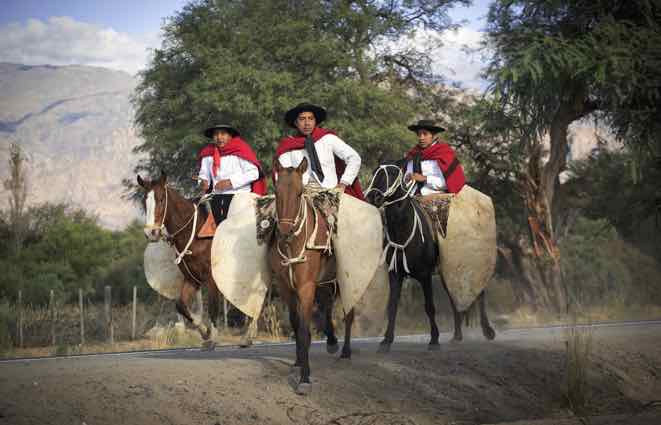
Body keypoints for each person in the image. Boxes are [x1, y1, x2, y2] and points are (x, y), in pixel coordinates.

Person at [274, 102, 364, 199]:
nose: (307, 123)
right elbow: (281, 174)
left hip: (331, 193)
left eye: (311, 119)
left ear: (315, 121)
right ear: (296, 123)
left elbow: (354, 158)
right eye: (302, 119)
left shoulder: (328, 138)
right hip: (301, 196)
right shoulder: (288, 146)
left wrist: (343, 183)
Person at [197, 124, 266, 236]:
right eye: (216, 134)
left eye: (223, 134)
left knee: (239, 233)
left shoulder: (241, 148)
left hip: (240, 196)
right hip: (216, 197)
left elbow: (254, 173)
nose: (219, 137)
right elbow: (203, 174)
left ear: (230, 135)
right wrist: (202, 182)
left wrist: (230, 182)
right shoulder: (208, 153)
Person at [404, 119, 465, 194]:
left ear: (433, 136)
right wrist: (407, 178)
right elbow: (406, 178)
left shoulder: (444, 153)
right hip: (411, 195)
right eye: (419, 134)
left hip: (437, 197)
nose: (421, 138)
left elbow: (450, 183)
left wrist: (425, 179)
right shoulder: (413, 154)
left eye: (425, 134)